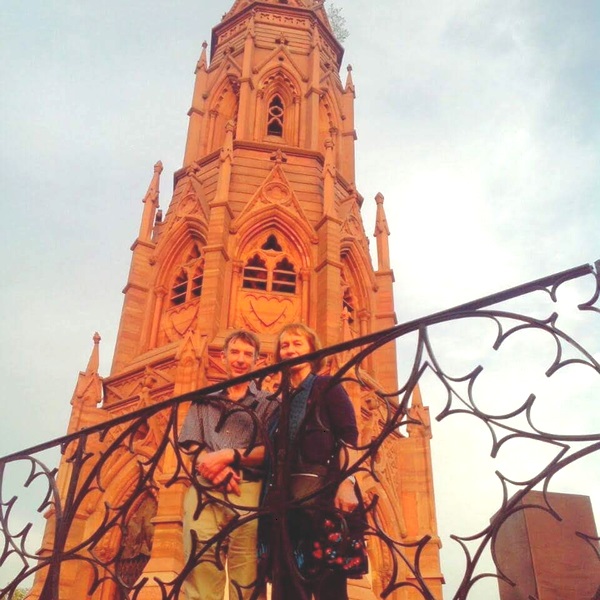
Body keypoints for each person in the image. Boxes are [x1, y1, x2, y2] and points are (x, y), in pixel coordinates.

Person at [179, 330, 278, 600]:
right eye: (234, 352)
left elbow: (270, 451)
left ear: (257, 361)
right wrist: (215, 468)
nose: (240, 360)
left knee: (246, 570)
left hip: (247, 488)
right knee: (198, 559)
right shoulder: (205, 399)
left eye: (247, 354)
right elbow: (191, 443)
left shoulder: (268, 403)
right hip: (205, 486)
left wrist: (229, 456)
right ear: (223, 357)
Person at [271, 323, 361, 600]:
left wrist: (347, 483)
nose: (290, 350)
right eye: (285, 345)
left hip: (323, 499)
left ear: (312, 351)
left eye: (297, 343)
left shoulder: (327, 386)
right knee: (287, 588)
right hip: (287, 505)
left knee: (328, 587)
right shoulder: (278, 401)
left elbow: (349, 436)